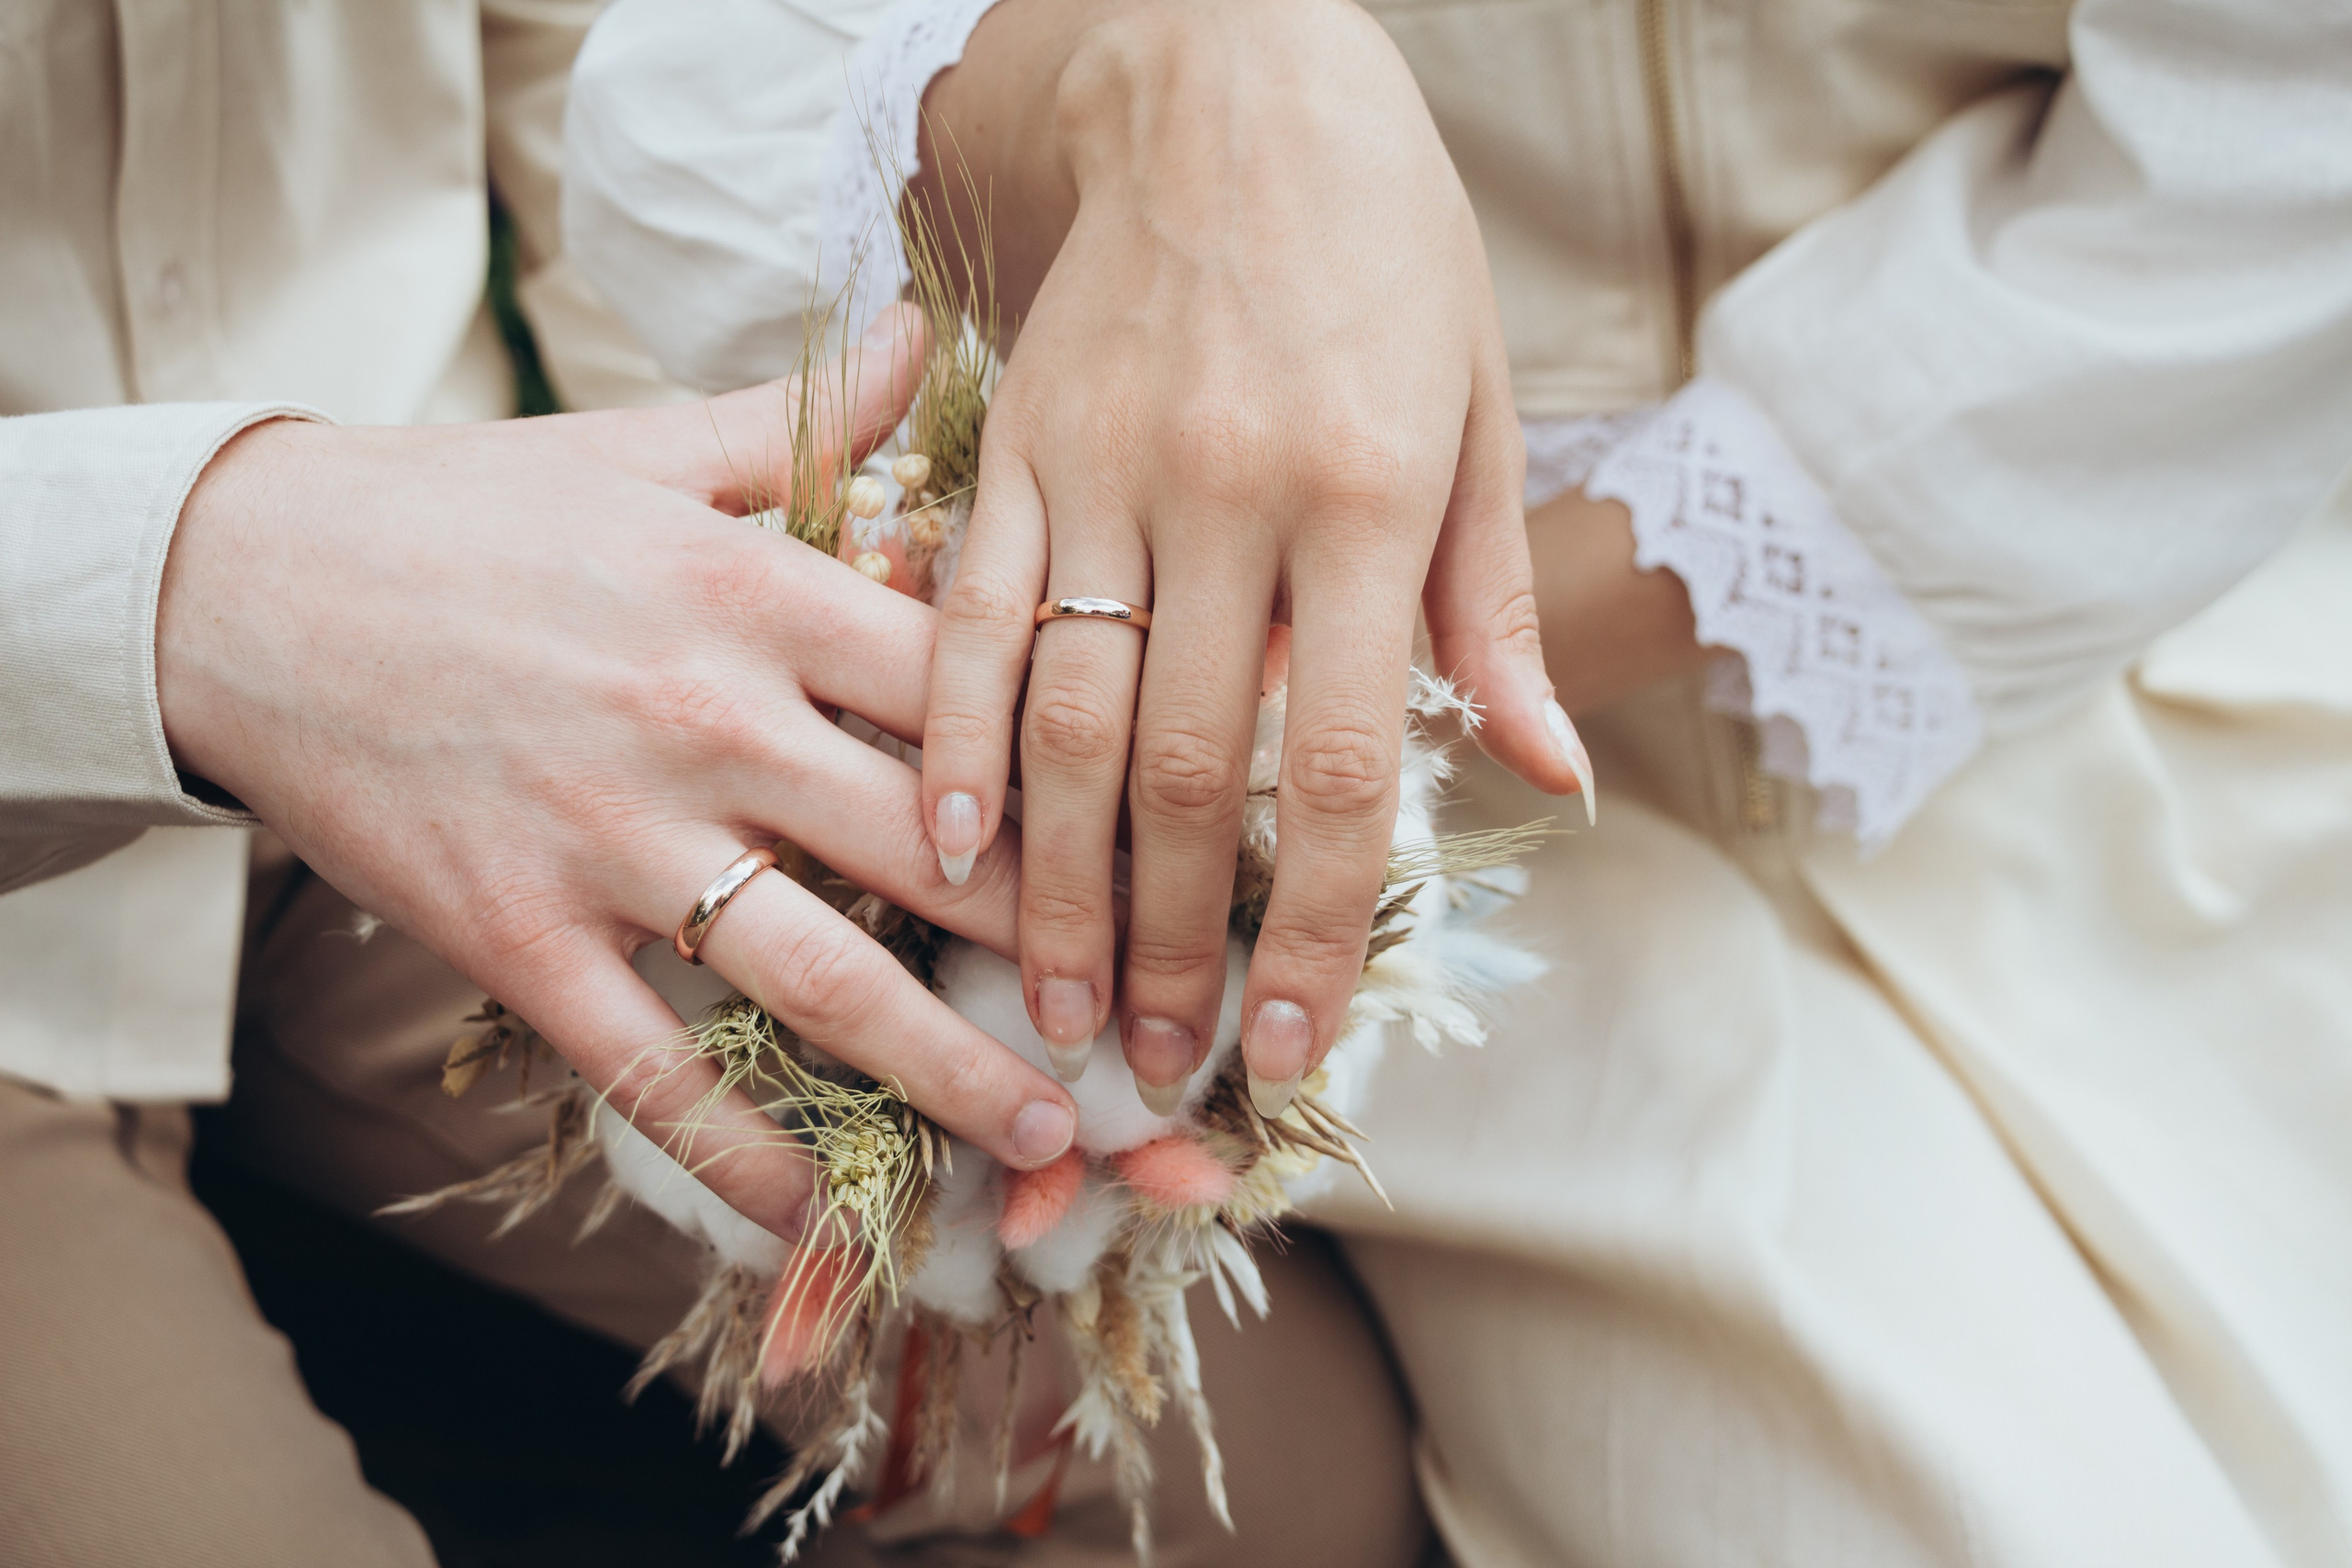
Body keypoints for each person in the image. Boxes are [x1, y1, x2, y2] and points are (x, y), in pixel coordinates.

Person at [569, 0, 2352, 1562]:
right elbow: (692, 92)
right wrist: (1159, 77)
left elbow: (2277, 139)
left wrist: (1420, 622)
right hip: (1425, 902)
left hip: (2110, 658)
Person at [0, 4, 1448, 1563]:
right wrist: (194, 587)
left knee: (1268, 1496)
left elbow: (584, 77)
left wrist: (803, 540)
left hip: (499, 684)